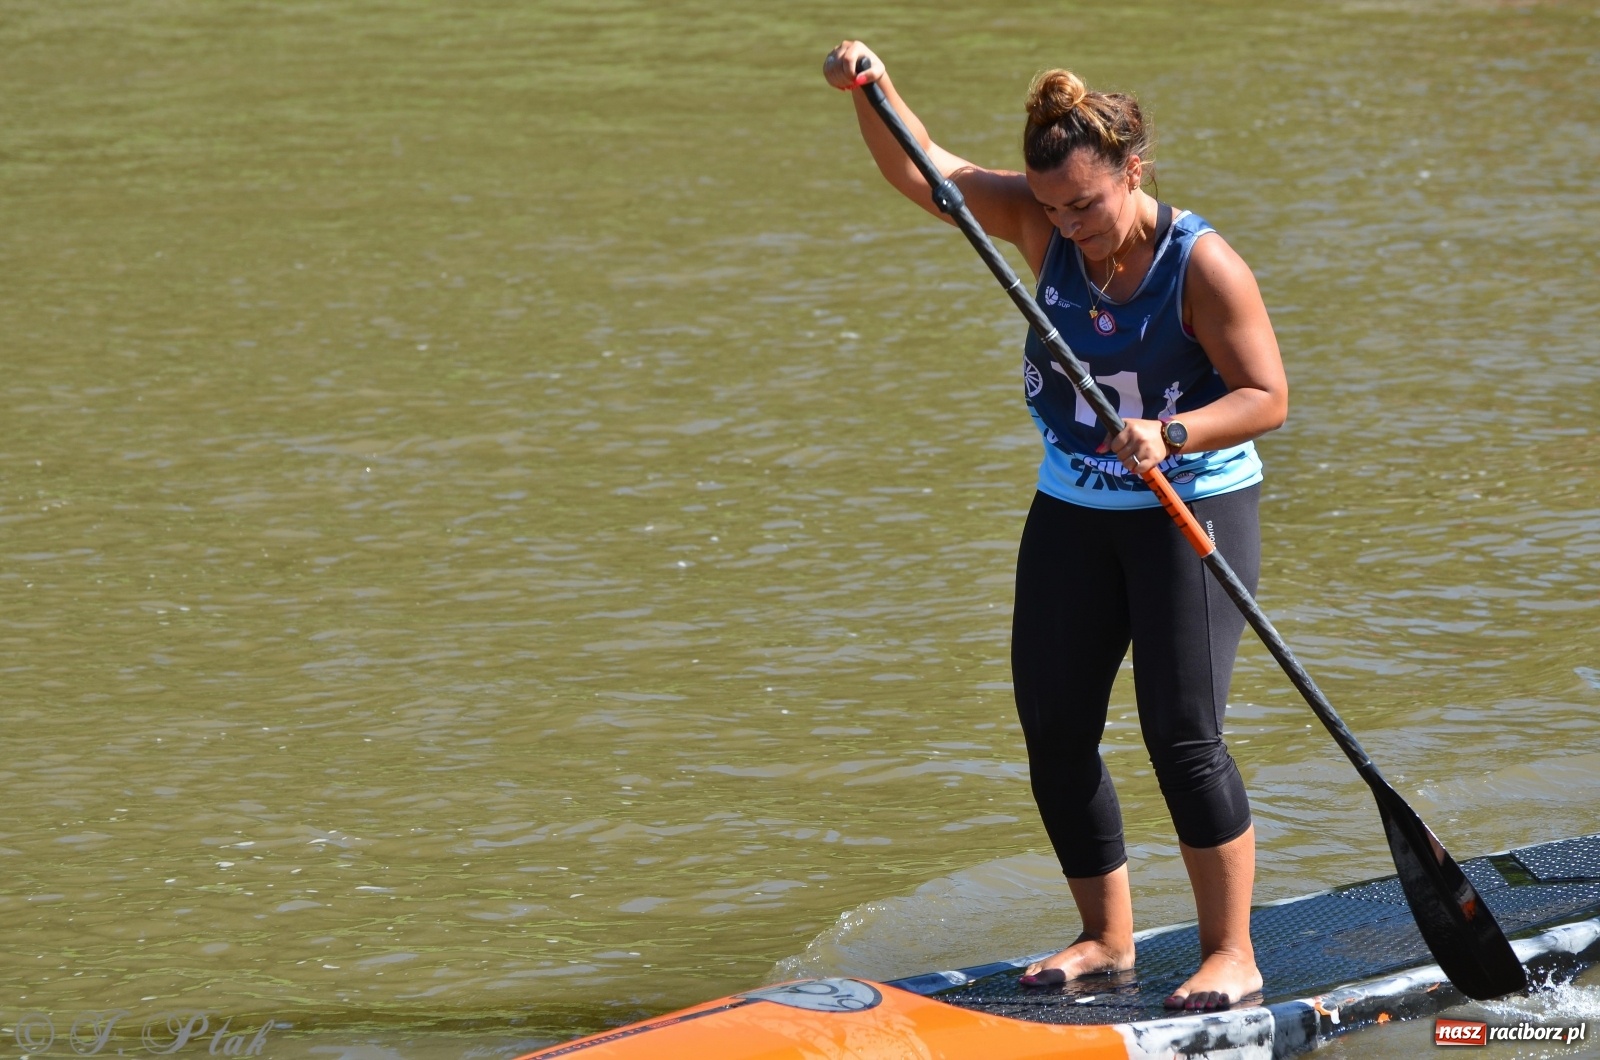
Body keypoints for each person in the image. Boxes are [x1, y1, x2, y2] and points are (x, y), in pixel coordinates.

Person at [822, 42, 1289, 1011]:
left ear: (1132, 170)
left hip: (1186, 505)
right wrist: (871, 88)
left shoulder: (1200, 264)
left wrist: (1170, 432)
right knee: (1054, 726)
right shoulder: (1040, 227)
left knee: (1181, 734)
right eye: (1050, 208)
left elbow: (1266, 395)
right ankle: (1105, 937)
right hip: (1075, 505)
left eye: (1086, 205)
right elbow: (931, 171)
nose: (1068, 226)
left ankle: (1231, 951)